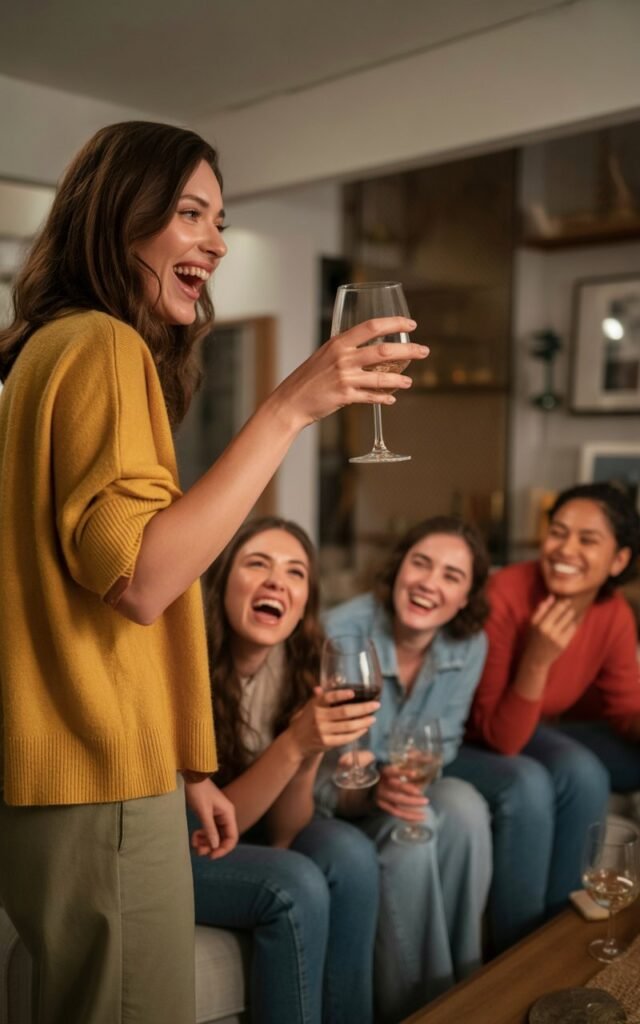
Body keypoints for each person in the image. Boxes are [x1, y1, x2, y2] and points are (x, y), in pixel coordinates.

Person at [0, 120, 426, 1024]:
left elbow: (87, 600)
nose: (218, 242)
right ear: (121, 217)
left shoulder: (43, 347)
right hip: (98, 773)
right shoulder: (102, 346)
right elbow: (146, 580)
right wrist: (287, 409)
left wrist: (185, 766)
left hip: (77, 771)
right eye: (190, 212)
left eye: (220, 219)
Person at [191, 516, 379, 1024]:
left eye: (295, 573)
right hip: (181, 845)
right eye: (258, 564)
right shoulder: (185, 664)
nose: (278, 581)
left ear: (302, 606)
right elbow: (209, 831)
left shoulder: (299, 667)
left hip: (242, 834)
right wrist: (295, 744)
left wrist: (311, 749)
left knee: (351, 853)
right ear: (222, 580)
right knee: (293, 882)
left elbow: (285, 831)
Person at [448, 482, 640, 953]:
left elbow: (626, 709)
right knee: (561, 776)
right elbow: (500, 736)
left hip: (537, 729)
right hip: (476, 739)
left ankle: (573, 932)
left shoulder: (612, 613)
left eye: (587, 539)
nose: (565, 549)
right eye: (558, 533)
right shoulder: (506, 595)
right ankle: (527, 950)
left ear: (618, 561)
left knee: (597, 765)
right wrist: (537, 660)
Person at [319, 516, 493, 1024]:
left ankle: (468, 987)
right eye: (420, 563)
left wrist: (400, 775)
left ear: (465, 598)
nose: (429, 582)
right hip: (337, 797)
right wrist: (379, 784)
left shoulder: (469, 644)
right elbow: (328, 768)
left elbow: (448, 742)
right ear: (398, 569)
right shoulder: (341, 634)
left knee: (465, 808)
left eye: (451, 576)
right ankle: (427, 1010)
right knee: (416, 831)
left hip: (405, 780)